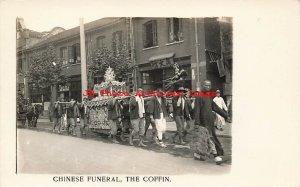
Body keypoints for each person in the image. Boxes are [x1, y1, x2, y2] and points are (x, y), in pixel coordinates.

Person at [191, 80, 228, 165]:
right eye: (206, 85)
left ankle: (198, 154)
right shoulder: (199, 96)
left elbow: (215, 107)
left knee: (209, 138)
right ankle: (216, 156)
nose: (208, 87)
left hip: (210, 121)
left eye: (209, 85)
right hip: (203, 122)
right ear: (203, 86)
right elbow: (197, 110)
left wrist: (225, 115)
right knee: (209, 138)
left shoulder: (209, 96)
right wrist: (197, 122)